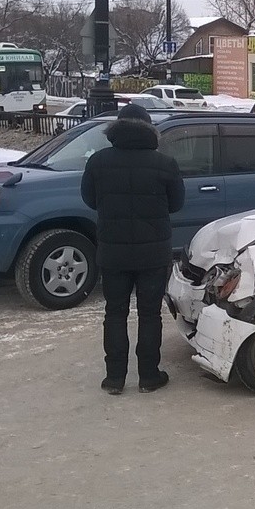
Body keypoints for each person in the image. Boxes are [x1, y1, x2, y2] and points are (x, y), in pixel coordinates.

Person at [80, 103, 185, 395]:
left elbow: (90, 199)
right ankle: (149, 377)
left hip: (113, 252)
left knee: (115, 313)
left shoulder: (99, 162)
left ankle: (114, 378)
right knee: (149, 314)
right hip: (153, 255)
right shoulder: (164, 163)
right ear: (149, 130)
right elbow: (177, 204)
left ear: (117, 128)